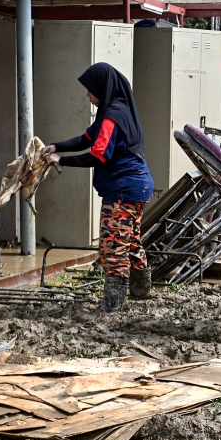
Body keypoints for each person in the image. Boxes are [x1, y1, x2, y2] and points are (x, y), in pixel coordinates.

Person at [41, 63, 154, 313]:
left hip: (123, 189)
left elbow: (97, 156)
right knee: (130, 239)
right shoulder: (120, 110)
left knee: (113, 245)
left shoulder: (112, 117)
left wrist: (63, 161)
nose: (88, 96)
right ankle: (140, 291)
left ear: (102, 89)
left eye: (91, 91)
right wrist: (56, 146)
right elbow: (86, 139)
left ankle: (112, 307)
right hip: (138, 185)